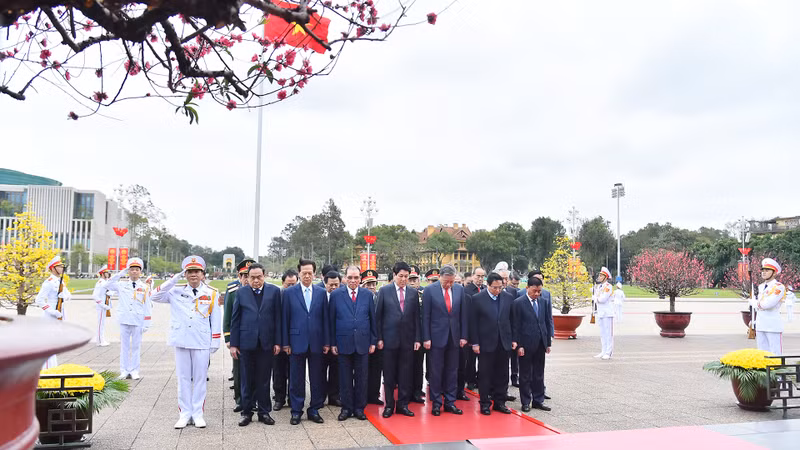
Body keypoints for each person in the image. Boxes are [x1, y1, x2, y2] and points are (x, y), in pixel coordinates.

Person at [150, 256, 221, 429]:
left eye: (197, 271)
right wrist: (174, 279)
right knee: (182, 379)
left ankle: (197, 414)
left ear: (203, 274)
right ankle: (184, 413)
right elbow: (154, 295)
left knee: (199, 379)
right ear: (185, 274)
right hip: (181, 340)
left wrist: (215, 341)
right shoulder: (175, 291)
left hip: (201, 340)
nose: (193, 275)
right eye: (189, 272)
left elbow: (216, 318)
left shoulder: (211, 293)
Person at [230, 263, 282, 427]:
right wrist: (234, 344)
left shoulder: (274, 292)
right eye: (252, 277)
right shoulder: (241, 292)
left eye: (259, 277)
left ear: (264, 276)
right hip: (246, 343)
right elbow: (235, 320)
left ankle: (264, 412)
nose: (256, 280)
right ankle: (246, 413)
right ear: (248, 277)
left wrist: (278, 342)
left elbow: (278, 319)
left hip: (266, 343)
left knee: (264, 379)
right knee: (247, 379)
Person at [282, 259, 330, 425]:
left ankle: (314, 409)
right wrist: (285, 343)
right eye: (304, 273)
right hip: (296, 341)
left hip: (317, 342)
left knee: (317, 378)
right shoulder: (289, 293)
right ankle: (296, 411)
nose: (307, 276)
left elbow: (325, 319)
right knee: (296, 379)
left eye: (310, 273)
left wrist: (326, 342)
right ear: (299, 274)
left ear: (314, 274)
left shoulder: (321, 292)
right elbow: (285, 319)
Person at [329, 266, 377, 421]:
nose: (353, 281)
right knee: (345, 377)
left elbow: (372, 319)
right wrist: (332, 342)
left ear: (360, 279)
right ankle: (346, 408)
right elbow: (331, 320)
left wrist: (373, 340)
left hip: (363, 342)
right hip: (343, 342)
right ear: (345, 278)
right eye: (350, 277)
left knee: (362, 378)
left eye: (356, 278)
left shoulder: (367, 295)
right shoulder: (336, 295)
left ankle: (359, 408)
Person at [376, 262, 420, 418]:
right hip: (389, 340)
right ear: (394, 275)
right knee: (388, 375)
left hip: (407, 341)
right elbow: (378, 317)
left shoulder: (413, 294)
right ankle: (389, 405)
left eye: (406, 277)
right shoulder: (384, 291)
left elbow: (416, 318)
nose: (403, 279)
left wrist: (417, 339)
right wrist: (379, 338)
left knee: (405, 374)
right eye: (400, 276)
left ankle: (403, 405)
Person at [422, 264, 468, 416]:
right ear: (440, 277)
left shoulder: (460, 290)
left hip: (454, 338)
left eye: (451, 281)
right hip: (435, 338)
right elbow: (426, 316)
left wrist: (463, 336)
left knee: (452, 371)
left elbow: (463, 315)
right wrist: (426, 338)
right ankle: (436, 403)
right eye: (446, 281)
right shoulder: (429, 291)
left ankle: (450, 402)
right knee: (436, 371)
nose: (449, 284)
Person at [470, 272, 514, 415]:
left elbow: (511, 320)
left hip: (503, 342)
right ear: (487, 285)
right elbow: (473, 324)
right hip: (485, 343)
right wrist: (475, 343)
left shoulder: (508, 298)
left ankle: (500, 402)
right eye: (495, 287)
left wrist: (513, 339)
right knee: (485, 374)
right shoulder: (477, 299)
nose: (498, 290)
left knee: (502, 374)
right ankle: (484, 403)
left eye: (500, 287)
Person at [104, 258, 152, 379]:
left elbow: (147, 305)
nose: (134, 272)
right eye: (132, 270)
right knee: (124, 347)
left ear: (140, 272)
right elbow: (107, 284)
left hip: (138, 319)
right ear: (128, 271)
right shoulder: (121, 285)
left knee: (136, 346)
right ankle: (124, 370)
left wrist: (147, 322)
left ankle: (135, 370)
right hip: (124, 319)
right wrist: (120, 273)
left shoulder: (144, 287)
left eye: (137, 270)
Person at [512, 276, 552, 412]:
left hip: (540, 343)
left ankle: (538, 400)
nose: (537, 294)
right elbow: (516, 326)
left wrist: (547, 343)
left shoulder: (543, 302)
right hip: (525, 344)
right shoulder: (518, 303)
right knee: (525, 374)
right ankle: (525, 401)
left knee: (539, 373)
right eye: (534, 291)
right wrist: (519, 345)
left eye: (539, 291)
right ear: (527, 288)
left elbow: (546, 322)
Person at [223, 259, 254, 413]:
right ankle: (240, 400)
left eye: (249, 275)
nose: (246, 279)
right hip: (239, 337)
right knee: (239, 370)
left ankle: (252, 400)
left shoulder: (258, 290)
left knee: (255, 370)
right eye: (243, 275)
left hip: (255, 338)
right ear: (239, 275)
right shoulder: (233, 290)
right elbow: (227, 314)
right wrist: (228, 338)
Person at [35, 255, 71, 368]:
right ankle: (46, 368)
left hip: (60, 312)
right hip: (51, 315)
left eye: (61, 266)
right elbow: (39, 300)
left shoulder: (61, 281)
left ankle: (52, 366)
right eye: (59, 266)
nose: (61, 268)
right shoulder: (49, 282)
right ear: (53, 268)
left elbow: (68, 295)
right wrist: (51, 311)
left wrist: (65, 295)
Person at [273, 269, 298, 410]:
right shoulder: (277, 295)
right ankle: (279, 398)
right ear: (283, 283)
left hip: (294, 341)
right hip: (278, 340)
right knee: (278, 371)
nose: (291, 288)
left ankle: (292, 398)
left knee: (293, 372)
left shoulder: (299, 295)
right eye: (288, 285)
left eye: (294, 284)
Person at [752, 258, 786, 355]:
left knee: (775, 353)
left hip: (772, 324)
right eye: (763, 270)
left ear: (774, 273)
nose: (764, 272)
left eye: (767, 270)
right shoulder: (761, 286)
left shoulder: (778, 287)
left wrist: (755, 304)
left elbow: (768, 304)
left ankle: (777, 370)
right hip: (761, 323)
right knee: (762, 353)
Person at [361, 269, 383, 406]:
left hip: (378, 339)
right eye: (367, 284)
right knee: (362, 370)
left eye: (373, 284)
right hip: (363, 340)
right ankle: (362, 395)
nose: (371, 287)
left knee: (376, 369)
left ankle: (374, 395)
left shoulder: (381, 297)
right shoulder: (360, 298)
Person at [463, 267, 486, 390]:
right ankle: (470, 380)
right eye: (478, 276)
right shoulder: (467, 291)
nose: (480, 279)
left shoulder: (485, 290)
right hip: (471, 328)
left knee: (483, 358)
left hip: (483, 328)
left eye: (482, 276)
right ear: (472, 276)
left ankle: (480, 378)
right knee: (470, 358)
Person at [323, 270, 342, 406]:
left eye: (336, 285)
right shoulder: (319, 296)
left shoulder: (342, 297)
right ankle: (320, 396)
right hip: (322, 341)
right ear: (325, 284)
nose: (334, 288)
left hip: (337, 340)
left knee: (336, 370)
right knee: (320, 370)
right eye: (331, 285)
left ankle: (334, 396)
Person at [408, 265, 426, 403]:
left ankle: (417, 390)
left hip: (421, 335)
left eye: (415, 279)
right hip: (405, 335)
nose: (412, 282)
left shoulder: (424, 294)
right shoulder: (403, 294)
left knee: (419, 365)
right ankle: (406, 391)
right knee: (405, 365)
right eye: (410, 279)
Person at [592, 267, 614, 360]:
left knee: (608, 333)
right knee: (602, 333)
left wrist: (595, 298)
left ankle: (608, 352)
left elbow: (602, 299)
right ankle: (603, 351)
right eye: (599, 275)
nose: (599, 277)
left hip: (607, 313)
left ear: (606, 277)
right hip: (600, 312)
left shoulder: (608, 286)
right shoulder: (599, 287)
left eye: (601, 275)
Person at [92, 265, 113, 347]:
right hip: (101, 306)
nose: (108, 274)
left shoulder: (105, 282)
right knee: (100, 324)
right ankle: (100, 341)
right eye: (106, 272)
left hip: (105, 305)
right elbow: (95, 296)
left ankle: (101, 339)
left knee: (102, 324)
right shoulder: (100, 283)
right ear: (102, 273)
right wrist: (103, 305)